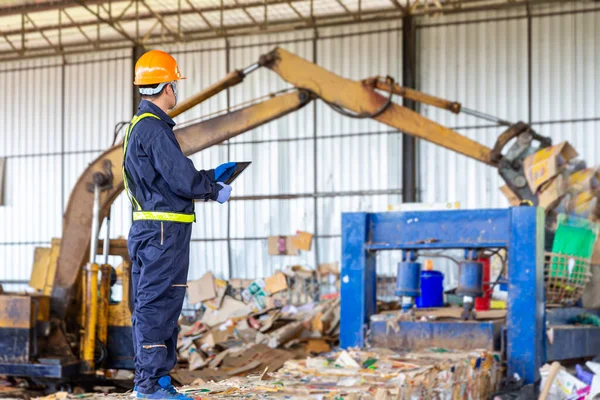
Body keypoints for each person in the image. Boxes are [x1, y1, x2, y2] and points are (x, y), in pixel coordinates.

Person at [124, 49, 236, 399]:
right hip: (164, 234)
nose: (177, 91)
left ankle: (154, 381)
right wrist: (211, 189)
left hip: (151, 230)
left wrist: (206, 177)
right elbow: (180, 180)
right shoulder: (156, 130)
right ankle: (150, 386)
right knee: (160, 304)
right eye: (175, 85)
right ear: (168, 86)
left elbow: (166, 178)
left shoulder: (138, 128)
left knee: (153, 304)